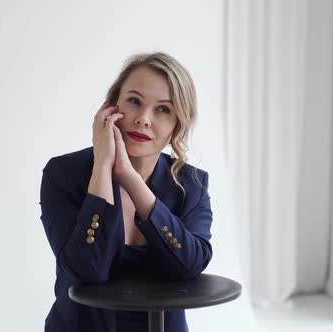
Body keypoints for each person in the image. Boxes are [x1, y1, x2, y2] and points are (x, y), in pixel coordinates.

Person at [40, 52, 213, 332]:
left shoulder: (192, 185)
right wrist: (103, 167)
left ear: (177, 124)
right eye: (134, 101)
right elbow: (87, 269)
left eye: (163, 109)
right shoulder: (63, 175)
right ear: (111, 107)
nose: (144, 119)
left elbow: (190, 265)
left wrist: (131, 180)